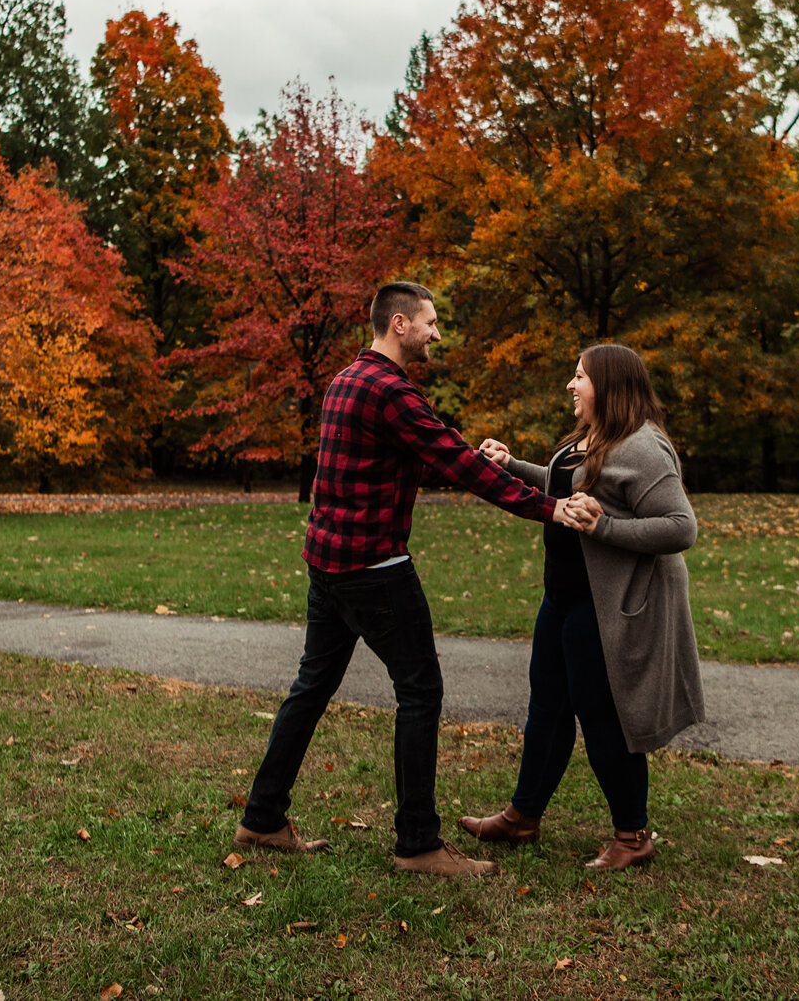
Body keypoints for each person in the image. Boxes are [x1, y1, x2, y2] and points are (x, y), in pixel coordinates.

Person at [233, 281, 601, 877]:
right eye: (430, 323)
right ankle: (418, 844)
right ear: (399, 324)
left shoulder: (347, 380)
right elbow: (455, 464)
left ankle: (263, 816)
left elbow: (433, 454)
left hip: (326, 563)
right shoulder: (391, 391)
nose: (436, 334)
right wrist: (551, 507)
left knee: (311, 688)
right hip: (374, 570)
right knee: (420, 691)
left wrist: (492, 463)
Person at [460, 343, 703, 870]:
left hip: (606, 606)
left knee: (603, 717)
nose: (571, 386)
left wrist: (605, 527)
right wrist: (512, 465)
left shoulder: (643, 447)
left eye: (579, 377)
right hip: (564, 598)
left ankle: (633, 836)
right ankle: (522, 817)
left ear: (609, 386)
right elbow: (562, 488)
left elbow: (682, 527)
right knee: (546, 709)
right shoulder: (590, 439)